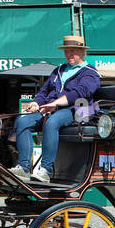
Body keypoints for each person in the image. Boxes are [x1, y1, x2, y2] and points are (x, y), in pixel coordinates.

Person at [9, 34, 101, 183]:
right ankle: (23, 168)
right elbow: (44, 92)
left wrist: (55, 103)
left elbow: (80, 93)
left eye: (73, 51)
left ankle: (45, 170)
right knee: (22, 121)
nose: (69, 54)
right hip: (51, 109)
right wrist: (37, 103)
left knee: (52, 122)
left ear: (82, 52)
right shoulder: (58, 70)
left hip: (78, 111)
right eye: (66, 51)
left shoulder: (90, 73)